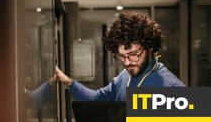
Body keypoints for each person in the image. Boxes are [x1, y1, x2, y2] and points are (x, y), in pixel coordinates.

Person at [55, 12, 185, 102]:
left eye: (133, 54)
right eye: (122, 56)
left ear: (149, 47)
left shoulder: (172, 86)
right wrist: (67, 81)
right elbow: (96, 99)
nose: (127, 62)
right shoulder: (124, 77)